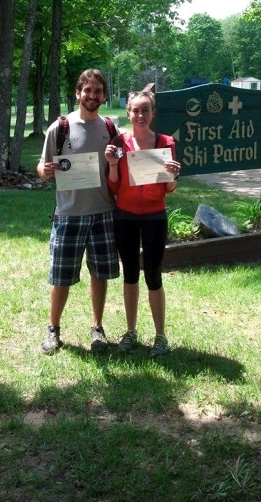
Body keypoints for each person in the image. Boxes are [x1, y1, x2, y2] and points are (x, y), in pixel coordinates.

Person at [37, 69, 120, 354]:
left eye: (98, 91)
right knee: (61, 276)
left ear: (104, 96)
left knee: (100, 275)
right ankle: (53, 329)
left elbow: (118, 166)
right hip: (68, 213)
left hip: (104, 212)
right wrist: (45, 171)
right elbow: (42, 166)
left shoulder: (110, 129)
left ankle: (97, 328)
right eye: (88, 90)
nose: (93, 96)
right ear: (77, 93)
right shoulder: (59, 128)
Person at [105, 89, 181, 357]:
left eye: (145, 110)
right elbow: (113, 186)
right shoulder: (119, 143)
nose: (140, 115)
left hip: (154, 217)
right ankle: (131, 331)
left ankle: (160, 337)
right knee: (130, 275)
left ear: (152, 113)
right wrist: (113, 164)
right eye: (135, 110)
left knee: (153, 275)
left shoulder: (164, 142)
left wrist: (173, 176)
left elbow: (169, 188)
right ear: (128, 113)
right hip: (124, 215)